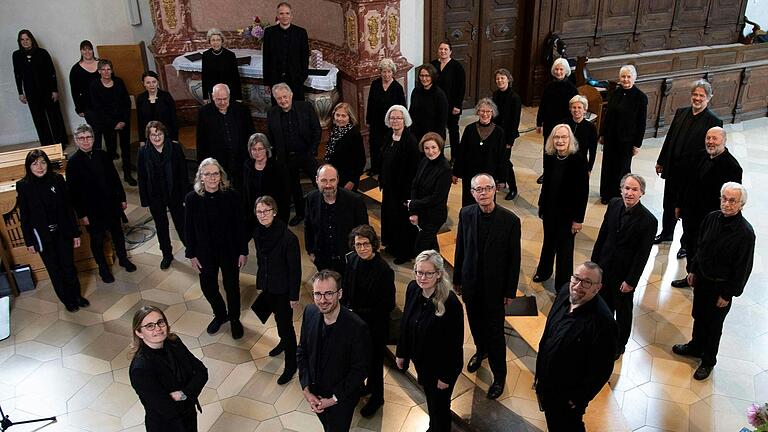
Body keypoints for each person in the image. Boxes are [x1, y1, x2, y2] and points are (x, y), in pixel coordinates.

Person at [672, 182, 754, 380]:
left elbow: (743, 268)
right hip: (702, 280)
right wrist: (692, 270)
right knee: (698, 314)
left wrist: (728, 294)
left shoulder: (745, 233)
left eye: (732, 201)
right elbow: (701, 247)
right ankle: (695, 346)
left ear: (741, 204)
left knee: (714, 325)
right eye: (724, 199)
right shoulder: (711, 218)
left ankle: (708, 360)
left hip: (720, 287)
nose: (726, 204)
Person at [453, 173, 521, 399]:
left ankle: (499, 375)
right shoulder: (466, 213)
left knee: (495, 333)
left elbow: (514, 259)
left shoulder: (510, 221)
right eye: (478, 189)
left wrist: (510, 291)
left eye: (487, 188)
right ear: (472, 193)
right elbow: (461, 246)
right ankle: (480, 351)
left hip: (495, 288)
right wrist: (457, 279)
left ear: (495, 190)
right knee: (475, 323)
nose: (483, 193)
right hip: (471, 283)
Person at [535, 261, 619, 432]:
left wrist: (579, 399)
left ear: (598, 288)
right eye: (576, 278)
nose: (578, 286)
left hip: (567, 396)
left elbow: (602, 369)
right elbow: (548, 333)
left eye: (587, 282)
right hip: (546, 383)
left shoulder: (604, 322)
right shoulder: (566, 290)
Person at [396, 250, 464, 432]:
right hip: (422, 362)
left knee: (440, 406)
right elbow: (406, 323)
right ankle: (434, 426)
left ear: (439, 274)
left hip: (442, 368)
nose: (422, 277)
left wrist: (446, 376)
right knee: (432, 402)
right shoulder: (413, 288)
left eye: (428, 273)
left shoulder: (450, 303)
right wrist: (401, 352)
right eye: (418, 272)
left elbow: (454, 345)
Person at [591, 174, 657, 358]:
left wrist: (631, 281)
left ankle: (620, 343)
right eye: (626, 188)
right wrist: (594, 266)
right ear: (621, 190)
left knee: (623, 311)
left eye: (634, 189)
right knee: (603, 306)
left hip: (624, 275)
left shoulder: (649, 221)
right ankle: (602, 336)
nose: (629, 193)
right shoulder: (613, 204)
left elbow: (642, 255)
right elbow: (602, 236)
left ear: (642, 193)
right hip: (604, 268)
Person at [297, 270, 370, 432]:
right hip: (315, 392)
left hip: (341, 400)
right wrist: (306, 389)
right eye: (318, 294)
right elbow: (302, 351)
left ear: (340, 294)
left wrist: (332, 399)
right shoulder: (309, 312)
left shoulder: (357, 327)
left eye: (329, 294)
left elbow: (359, 371)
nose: (322, 300)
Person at [184, 159, 249, 339]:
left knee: (232, 287)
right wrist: (191, 254)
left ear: (221, 176)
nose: (212, 177)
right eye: (207, 174)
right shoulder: (192, 199)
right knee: (208, 286)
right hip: (204, 252)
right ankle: (220, 314)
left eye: (215, 173)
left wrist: (243, 251)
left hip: (229, 251)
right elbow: (188, 228)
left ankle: (235, 319)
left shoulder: (232, 196)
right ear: (201, 178)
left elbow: (240, 226)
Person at [16, 150, 87, 312]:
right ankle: (67, 300)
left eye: (43, 162)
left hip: (62, 232)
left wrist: (75, 233)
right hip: (42, 237)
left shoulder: (57, 179)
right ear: (29, 167)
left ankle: (77, 296)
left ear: (48, 163)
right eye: (35, 164)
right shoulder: (24, 186)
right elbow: (25, 216)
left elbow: (68, 209)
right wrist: (29, 241)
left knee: (69, 266)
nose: (39, 167)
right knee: (55, 269)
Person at [671, 127, 742, 287]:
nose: (710, 142)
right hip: (690, 213)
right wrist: (678, 205)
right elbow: (685, 183)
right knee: (689, 244)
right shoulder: (698, 155)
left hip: (711, 219)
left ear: (724, 141)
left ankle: (701, 280)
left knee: (703, 249)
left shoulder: (732, 167)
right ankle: (691, 275)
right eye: (708, 138)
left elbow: (732, 200)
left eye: (714, 139)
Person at [655, 79, 723, 246]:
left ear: (709, 98)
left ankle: (686, 244)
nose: (697, 98)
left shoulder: (713, 121)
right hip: (673, 170)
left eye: (701, 95)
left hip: (692, 175)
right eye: (695, 94)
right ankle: (666, 233)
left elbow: (711, 151)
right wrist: (661, 160)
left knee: (688, 211)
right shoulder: (681, 112)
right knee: (668, 204)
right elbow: (670, 138)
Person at [67, 124, 137, 283]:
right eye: (82, 138)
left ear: (93, 138)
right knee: (97, 240)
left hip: (111, 204)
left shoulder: (103, 155)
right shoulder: (73, 163)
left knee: (118, 234)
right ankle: (103, 268)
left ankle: (123, 259)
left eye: (89, 137)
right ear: (77, 141)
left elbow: (114, 178)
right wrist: (82, 214)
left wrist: (122, 198)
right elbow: (73, 193)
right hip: (91, 210)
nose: (86, 141)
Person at [341, 225, 395, 417]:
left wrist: (357, 313)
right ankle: (367, 387)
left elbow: (387, 305)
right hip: (355, 322)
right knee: (359, 360)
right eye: (358, 244)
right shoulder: (352, 260)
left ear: (373, 245)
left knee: (374, 363)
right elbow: (346, 288)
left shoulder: (384, 270)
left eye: (365, 244)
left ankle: (377, 397)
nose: (362, 248)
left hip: (374, 326)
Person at [129, 306, 208, 432]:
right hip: (167, 426)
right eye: (150, 326)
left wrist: (183, 394)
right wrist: (191, 391)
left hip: (189, 417)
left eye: (160, 322)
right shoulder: (141, 369)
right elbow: (169, 409)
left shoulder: (174, 342)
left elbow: (202, 372)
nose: (158, 329)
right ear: (139, 332)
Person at [252, 196, 300, 385]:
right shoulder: (258, 232)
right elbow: (260, 260)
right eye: (259, 211)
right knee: (277, 320)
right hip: (268, 285)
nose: (262, 215)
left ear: (274, 212)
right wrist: (259, 283)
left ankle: (291, 364)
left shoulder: (288, 238)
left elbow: (295, 269)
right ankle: (282, 342)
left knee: (286, 325)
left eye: (266, 210)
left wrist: (293, 295)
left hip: (283, 290)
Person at [534, 124, 589, 290]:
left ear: (570, 139)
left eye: (564, 137)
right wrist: (542, 206)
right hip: (550, 211)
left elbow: (583, 192)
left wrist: (578, 220)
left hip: (568, 215)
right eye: (556, 137)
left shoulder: (578, 160)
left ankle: (563, 285)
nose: (560, 141)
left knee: (564, 251)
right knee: (548, 243)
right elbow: (547, 185)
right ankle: (543, 272)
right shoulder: (551, 156)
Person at [266, 83, 321, 226]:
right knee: (293, 187)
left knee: (319, 182)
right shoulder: (271, 113)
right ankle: (300, 213)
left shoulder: (305, 107)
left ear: (291, 95)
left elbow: (316, 129)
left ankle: (322, 209)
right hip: (286, 157)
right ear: (275, 99)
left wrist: (312, 150)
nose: (283, 101)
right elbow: (271, 136)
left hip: (306, 153)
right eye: (279, 98)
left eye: (285, 97)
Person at [137, 121, 190, 270]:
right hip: (155, 196)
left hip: (175, 194)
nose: (156, 137)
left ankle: (191, 249)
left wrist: (185, 195)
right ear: (148, 136)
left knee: (182, 223)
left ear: (164, 134)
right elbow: (141, 177)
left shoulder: (175, 148)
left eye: (159, 133)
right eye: (153, 134)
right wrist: (145, 199)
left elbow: (183, 174)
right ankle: (167, 254)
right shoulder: (143, 152)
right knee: (161, 226)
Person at [305, 164, 369, 274]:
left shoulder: (355, 201)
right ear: (317, 180)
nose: (328, 185)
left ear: (338, 180)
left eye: (332, 180)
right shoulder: (311, 198)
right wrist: (311, 252)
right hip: (322, 261)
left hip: (348, 262)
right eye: (324, 180)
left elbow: (364, 232)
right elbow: (308, 227)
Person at [599, 65, 648, 203]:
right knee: (608, 166)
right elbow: (607, 116)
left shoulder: (640, 97)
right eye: (623, 76)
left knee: (622, 168)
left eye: (628, 77)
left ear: (634, 78)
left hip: (627, 140)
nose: (625, 79)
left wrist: (637, 144)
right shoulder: (616, 92)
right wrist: (602, 134)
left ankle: (618, 195)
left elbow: (641, 123)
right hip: (611, 137)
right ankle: (606, 194)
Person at [12, 30, 68, 146]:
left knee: (54, 116)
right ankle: (47, 144)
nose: (25, 42)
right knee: (39, 119)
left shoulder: (42, 53)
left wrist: (55, 90)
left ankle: (61, 142)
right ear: (19, 42)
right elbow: (17, 74)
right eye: (22, 40)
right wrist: (20, 92)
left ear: (32, 40)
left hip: (47, 90)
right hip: (31, 92)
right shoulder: (16, 55)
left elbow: (52, 72)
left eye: (27, 39)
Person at [379, 105, 420, 264]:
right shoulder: (389, 135)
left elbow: (412, 170)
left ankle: (404, 252)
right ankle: (392, 246)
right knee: (390, 218)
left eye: (398, 118)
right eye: (392, 118)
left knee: (402, 221)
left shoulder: (410, 140)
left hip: (402, 191)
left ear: (405, 120)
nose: (395, 120)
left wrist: (407, 195)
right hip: (389, 189)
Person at [196, 83, 255, 190]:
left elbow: (251, 134)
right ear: (213, 97)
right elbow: (201, 141)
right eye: (218, 99)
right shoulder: (204, 113)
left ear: (229, 96)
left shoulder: (242, 110)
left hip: (241, 158)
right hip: (218, 161)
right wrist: (202, 165)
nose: (222, 102)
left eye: (225, 99)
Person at [452, 98, 507, 207]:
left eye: (488, 111)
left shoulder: (499, 132)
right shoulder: (469, 129)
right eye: (482, 111)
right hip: (470, 175)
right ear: (477, 112)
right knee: (469, 203)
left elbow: (502, 158)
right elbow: (462, 152)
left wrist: (502, 179)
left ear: (493, 113)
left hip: (489, 175)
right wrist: (456, 172)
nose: (485, 114)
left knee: (486, 204)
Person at [88, 59, 135, 185]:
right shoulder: (94, 86)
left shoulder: (119, 82)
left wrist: (124, 120)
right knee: (110, 150)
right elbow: (98, 108)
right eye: (103, 69)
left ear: (112, 70)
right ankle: (111, 176)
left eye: (108, 69)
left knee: (126, 148)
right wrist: (113, 123)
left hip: (123, 121)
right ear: (99, 71)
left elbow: (126, 102)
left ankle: (127, 174)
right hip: (107, 123)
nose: (106, 72)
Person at [408, 132, 453, 255]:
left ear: (440, 147)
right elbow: (415, 185)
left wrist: (413, 204)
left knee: (420, 249)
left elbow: (437, 198)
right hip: (422, 210)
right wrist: (413, 210)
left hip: (434, 216)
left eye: (433, 147)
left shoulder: (445, 169)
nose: (430, 151)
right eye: (426, 148)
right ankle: (437, 270)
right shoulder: (424, 161)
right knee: (431, 246)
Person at [535, 57, 578, 183]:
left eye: (561, 69)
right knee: (547, 149)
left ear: (566, 71)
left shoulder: (571, 88)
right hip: (549, 123)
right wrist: (539, 122)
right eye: (557, 69)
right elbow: (542, 105)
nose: (559, 72)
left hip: (565, 125)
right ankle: (546, 172)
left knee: (562, 148)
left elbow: (574, 109)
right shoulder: (549, 87)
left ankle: (560, 173)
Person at [365, 58, 406, 175]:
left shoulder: (397, 87)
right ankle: (375, 168)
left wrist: (400, 123)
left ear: (393, 72)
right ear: (380, 72)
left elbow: (402, 107)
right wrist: (368, 120)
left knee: (388, 147)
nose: (386, 74)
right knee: (374, 145)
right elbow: (370, 103)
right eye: (384, 71)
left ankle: (387, 169)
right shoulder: (375, 84)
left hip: (391, 123)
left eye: (389, 72)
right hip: (376, 121)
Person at [263, 1, 309, 101]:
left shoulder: (301, 33)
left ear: (291, 16)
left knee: (297, 108)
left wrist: (301, 78)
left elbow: (305, 57)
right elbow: (266, 58)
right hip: (276, 80)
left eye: (287, 13)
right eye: (281, 13)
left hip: (295, 79)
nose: (284, 16)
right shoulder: (269, 33)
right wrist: (266, 82)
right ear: (277, 16)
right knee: (278, 109)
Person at [242, 133, 291, 228]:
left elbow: (285, 195)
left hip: (274, 216)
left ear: (267, 149)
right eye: (254, 149)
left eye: (260, 149)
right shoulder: (247, 166)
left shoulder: (279, 167)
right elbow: (246, 193)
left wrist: (283, 218)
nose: (257, 152)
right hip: (255, 216)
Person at [430, 40, 466, 155]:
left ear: (450, 51)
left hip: (452, 105)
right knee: (438, 130)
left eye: (445, 49)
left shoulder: (457, 67)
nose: (443, 51)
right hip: (436, 105)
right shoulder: (433, 65)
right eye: (441, 49)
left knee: (453, 130)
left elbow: (461, 87)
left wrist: (457, 105)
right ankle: (438, 154)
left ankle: (455, 156)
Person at [491, 68, 522, 200]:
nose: (499, 81)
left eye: (502, 78)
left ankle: (513, 188)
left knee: (505, 162)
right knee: (496, 160)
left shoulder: (515, 98)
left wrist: (510, 141)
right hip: (496, 133)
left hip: (507, 136)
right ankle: (499, 181)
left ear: (508, 79)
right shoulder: (496, 95)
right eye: (498, 79)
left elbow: (515, 121)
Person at [324, 102, 365, 191]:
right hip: (333, 176)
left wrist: (352, 181)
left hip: (348, 179)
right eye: (337, 115)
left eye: (343, 116)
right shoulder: (333, 130)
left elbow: (361, 161)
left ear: (349, 118)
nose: (339, 118)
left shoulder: (354, 135)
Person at [136, 71, 179, 146]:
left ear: (158, 82)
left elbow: (174, 118)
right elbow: (140, 121)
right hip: (149, 137)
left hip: (166, 136)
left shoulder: (166, 96)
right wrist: (142, 140)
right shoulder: (140, 98)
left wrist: (175, 138)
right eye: (148, 82)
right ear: (144, 84)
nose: (151, 85)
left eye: (154, 82)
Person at [409, 64, 449, 143]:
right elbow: (411, 112)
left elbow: (442, 120)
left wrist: (435, 138)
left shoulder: (439, 95)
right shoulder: (416, 91)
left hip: (433, 135)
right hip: (417, 133)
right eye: (421, 75)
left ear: (432, 77)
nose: (424, 78)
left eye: (427, 76)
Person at [69, 40, 99, 139]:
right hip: (88, 106)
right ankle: (96, 153)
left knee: (109, 132)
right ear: (81, 51)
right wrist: (79, 108)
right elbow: (75, 91)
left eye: (89, 49)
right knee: (95, 132)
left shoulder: (101, 64)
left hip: (104, 104)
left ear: (92, 50)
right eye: (84, 50)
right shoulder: (75, 69)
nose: (87, 52)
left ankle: (112, 153)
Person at [201, 28, 242, 101]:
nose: (215, 43)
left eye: (218, 40)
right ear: (209, 42)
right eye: (213, 40)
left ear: (222, 41)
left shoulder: (230, 55)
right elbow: (204, 77)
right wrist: (205, 96)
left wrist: (239, 97)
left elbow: (236, 77)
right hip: (214, 92)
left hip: (229, 91)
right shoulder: (206, 55)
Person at [562, 95, 597, 175]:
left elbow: (593, 151)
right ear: (570, 109)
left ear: (585, 110)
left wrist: (589, 169)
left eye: (579, 107)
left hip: (581, 164)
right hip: (564, 162)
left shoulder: (591, 127)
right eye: (574, 107)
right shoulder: (564, 123)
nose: (576, 110)